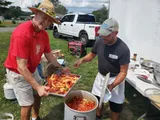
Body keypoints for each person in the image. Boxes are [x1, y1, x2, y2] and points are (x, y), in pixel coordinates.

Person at [4, 0, 70, 120]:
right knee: (27, 104)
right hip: (18, 72)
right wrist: (38, 87)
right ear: (36, 14)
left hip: (32, 69)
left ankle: (35, 117)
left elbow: (49, 54)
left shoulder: (43, 34)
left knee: (37, 96)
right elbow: (21, 67)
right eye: (44, 17)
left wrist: (61, 67)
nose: (46, 22)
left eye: (49, 20)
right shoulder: (22, 33)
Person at [74, 18, 130, 120]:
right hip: (101, 77)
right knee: (97, 100)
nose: (103, 37)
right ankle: (98, 116)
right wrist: (81, 60)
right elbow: (91, 55)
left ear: (115, 33)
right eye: (102, 34)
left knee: (115, 106)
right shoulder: (100, 42)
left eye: (107, 35)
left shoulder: (123, 49)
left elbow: (123, 72)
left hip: (115, 79)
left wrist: (113, 85)